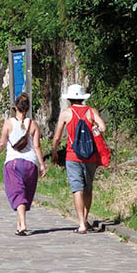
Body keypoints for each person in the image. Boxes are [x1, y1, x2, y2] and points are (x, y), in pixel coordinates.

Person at [51, 83, 107, 234]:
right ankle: (86, 217)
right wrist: (94, 127)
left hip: (72, 155)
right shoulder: (91, 111)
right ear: (82, 98)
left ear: (69, 99)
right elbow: (103, 127)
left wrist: (55, 151)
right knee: (88, 188)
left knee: (77, 189)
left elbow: (57, 137)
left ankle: (81, 223)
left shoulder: (66, 113)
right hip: (91, 156)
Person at [0, 92, 45, 235]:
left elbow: (2, 143)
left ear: (15, 107)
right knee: (25, 192)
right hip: (30, 164)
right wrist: (42, 164)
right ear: (27, 108)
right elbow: (37, 146)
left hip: (13, 163)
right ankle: (19, 225)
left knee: (17, 193)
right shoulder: (33, 125)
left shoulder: (8, 123)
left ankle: (23, 225)